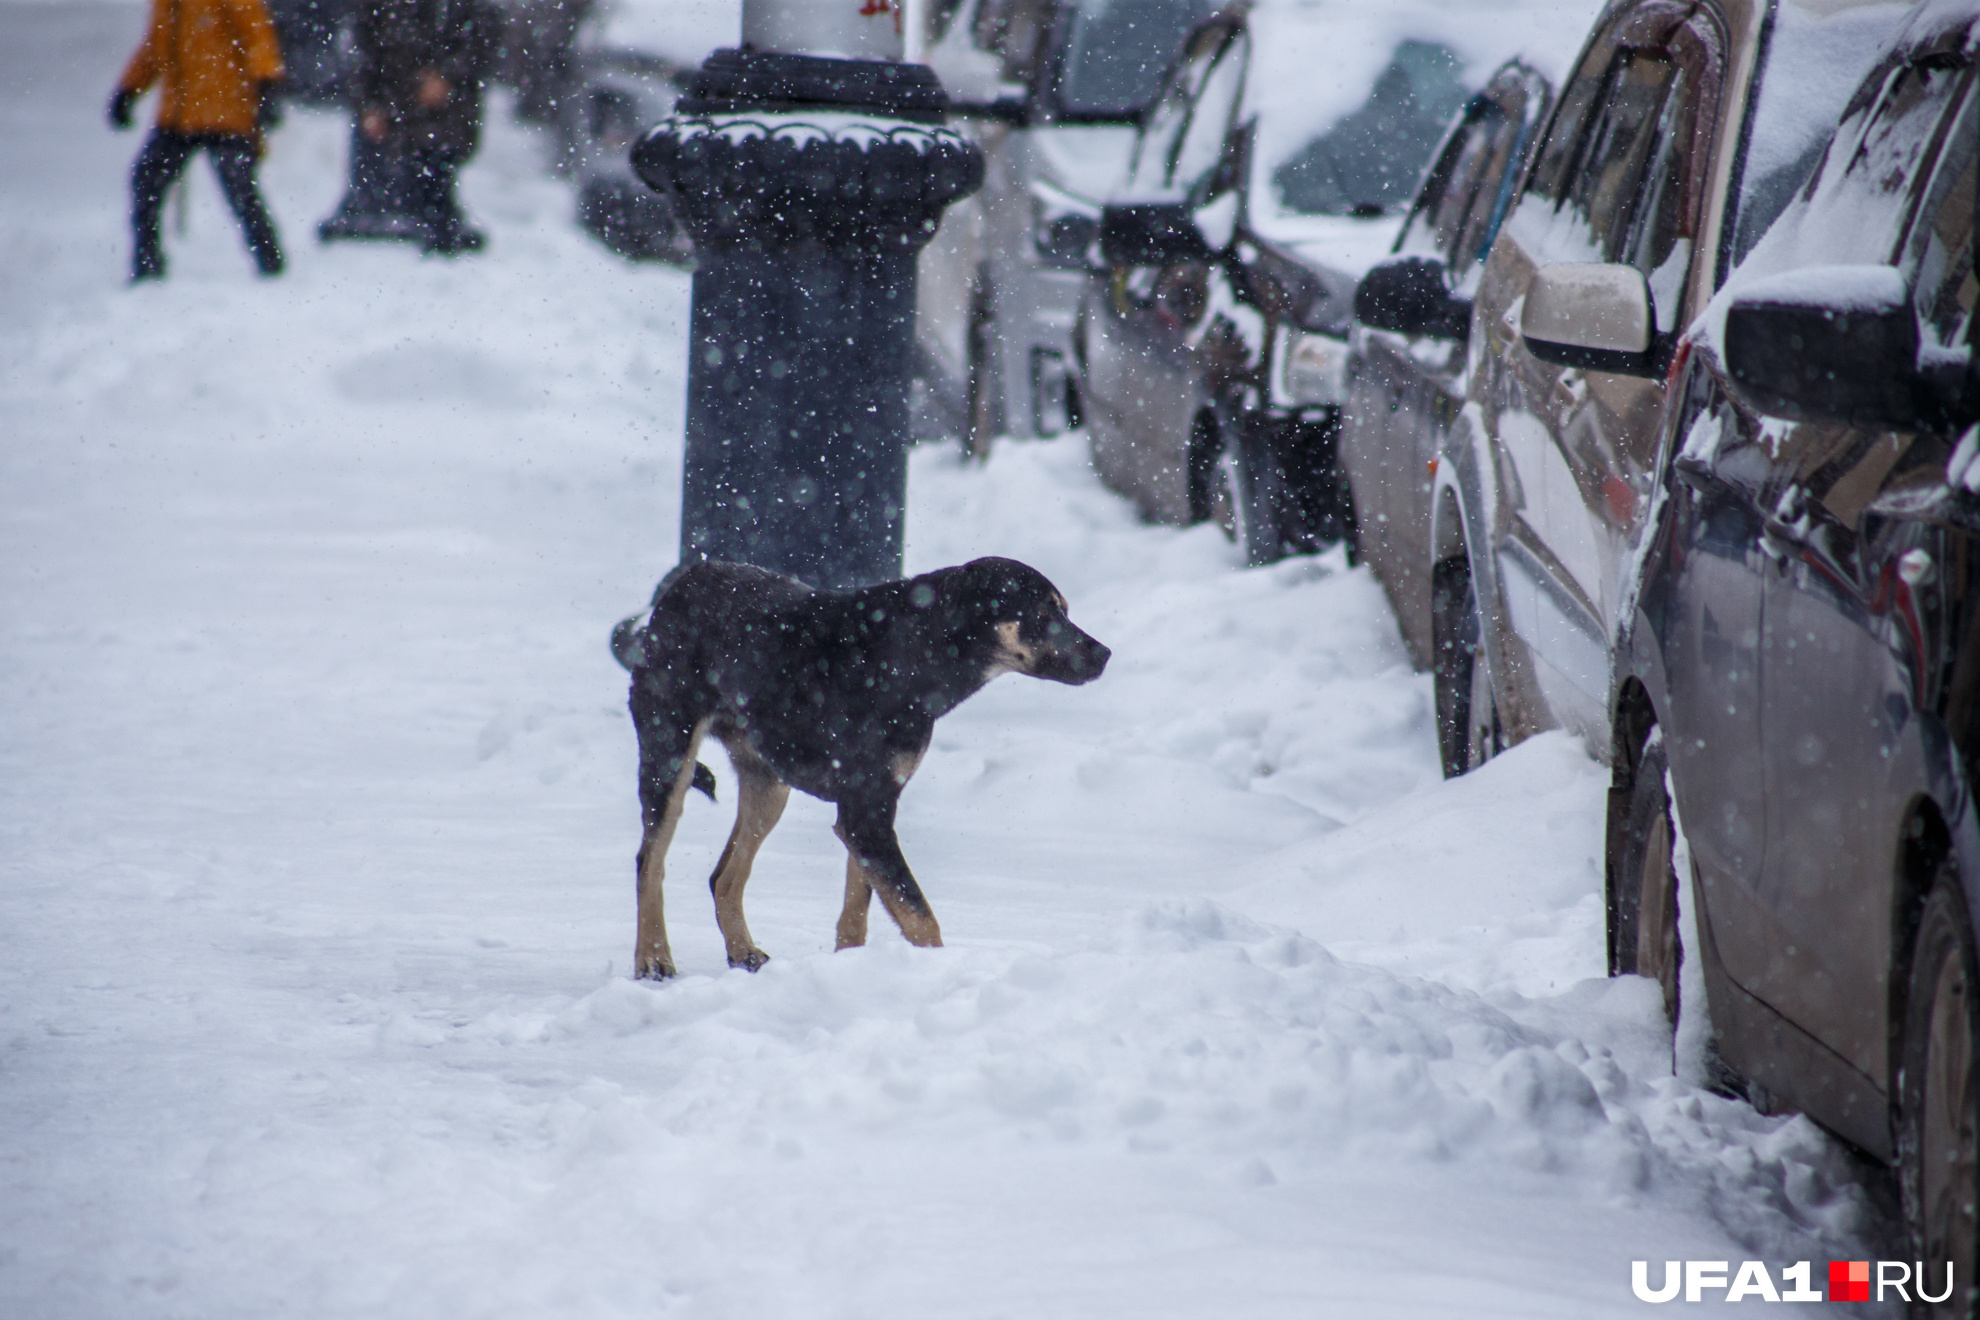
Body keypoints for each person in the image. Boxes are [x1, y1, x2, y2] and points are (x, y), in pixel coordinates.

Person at [109, 0, 287, 282]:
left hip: (229, 114)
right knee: (146, 180)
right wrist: (129, 89)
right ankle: (147, 263)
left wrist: (266, 85)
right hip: (178, 117)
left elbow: (258, 37)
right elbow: (155, 49)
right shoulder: (166, 5)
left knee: (240, 189)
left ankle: (271, 263)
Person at [348, 0, 498, 254]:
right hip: (399, 109)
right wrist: (369, 104)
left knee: (433, 176)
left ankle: (439, 239)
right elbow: (365, 51)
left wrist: (447, 75)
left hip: (442, 114)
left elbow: (483, 37)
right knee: (416, 180)